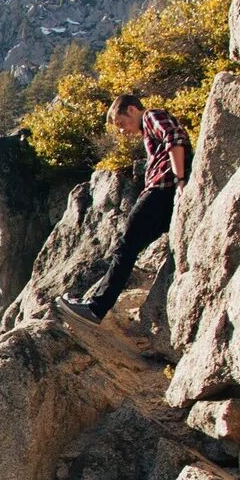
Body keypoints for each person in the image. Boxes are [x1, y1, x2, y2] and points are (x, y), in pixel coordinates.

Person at [64, 94, 191, 322]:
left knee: (126, 245)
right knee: (129, 248)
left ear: (132, 110)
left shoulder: (152, 116)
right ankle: (95, 303)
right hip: (164, 193)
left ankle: (96, 307)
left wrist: (180, 179)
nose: (122, 131)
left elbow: (175, 137)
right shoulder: (148, 130)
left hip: (161, 191)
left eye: (121, 124)